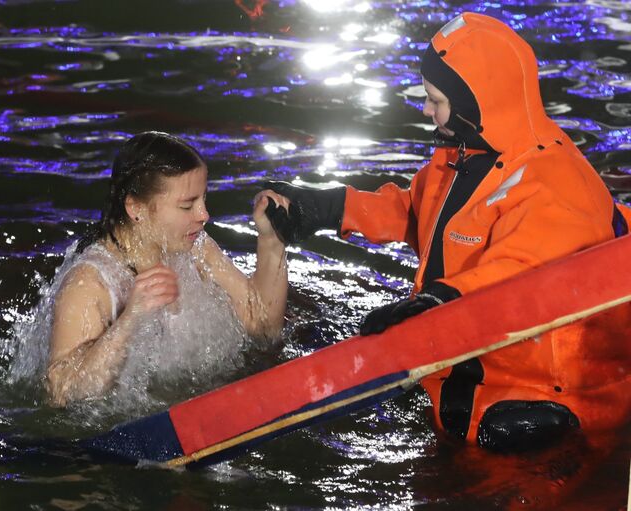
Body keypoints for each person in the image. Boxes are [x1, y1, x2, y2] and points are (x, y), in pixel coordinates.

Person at [265, 12, 631, 452]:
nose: (424, 109)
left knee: (506, 451)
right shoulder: (463, 157)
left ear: (477, 103)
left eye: (435, 99)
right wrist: (324, 208)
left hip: (543, 393)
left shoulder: (556, 184)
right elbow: (417, 212)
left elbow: (524, 277)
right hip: (459, 368)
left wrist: (435, 303)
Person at [46, 131, 289, 407]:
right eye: (187, 205)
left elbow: (263, 327)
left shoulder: (196, 248)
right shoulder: (90, 284)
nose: (204, 215)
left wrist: (272, 241)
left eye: (203, 199)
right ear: (136, 208)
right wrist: (130, 318)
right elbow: (61, 393)